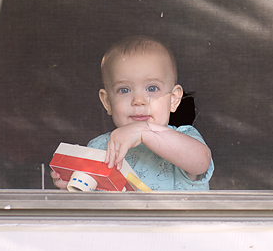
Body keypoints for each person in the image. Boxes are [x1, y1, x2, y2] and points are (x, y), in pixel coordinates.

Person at [52, 36, 214, 191]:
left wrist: (144, 130)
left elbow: (201, 162)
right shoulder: (99, 148)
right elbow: (90, 204)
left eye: (152, 88)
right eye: (124, 90)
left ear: (173, 99)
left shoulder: (183, 137)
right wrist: (74, 183)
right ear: (107, 102)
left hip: (171, 221)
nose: (138, 100)